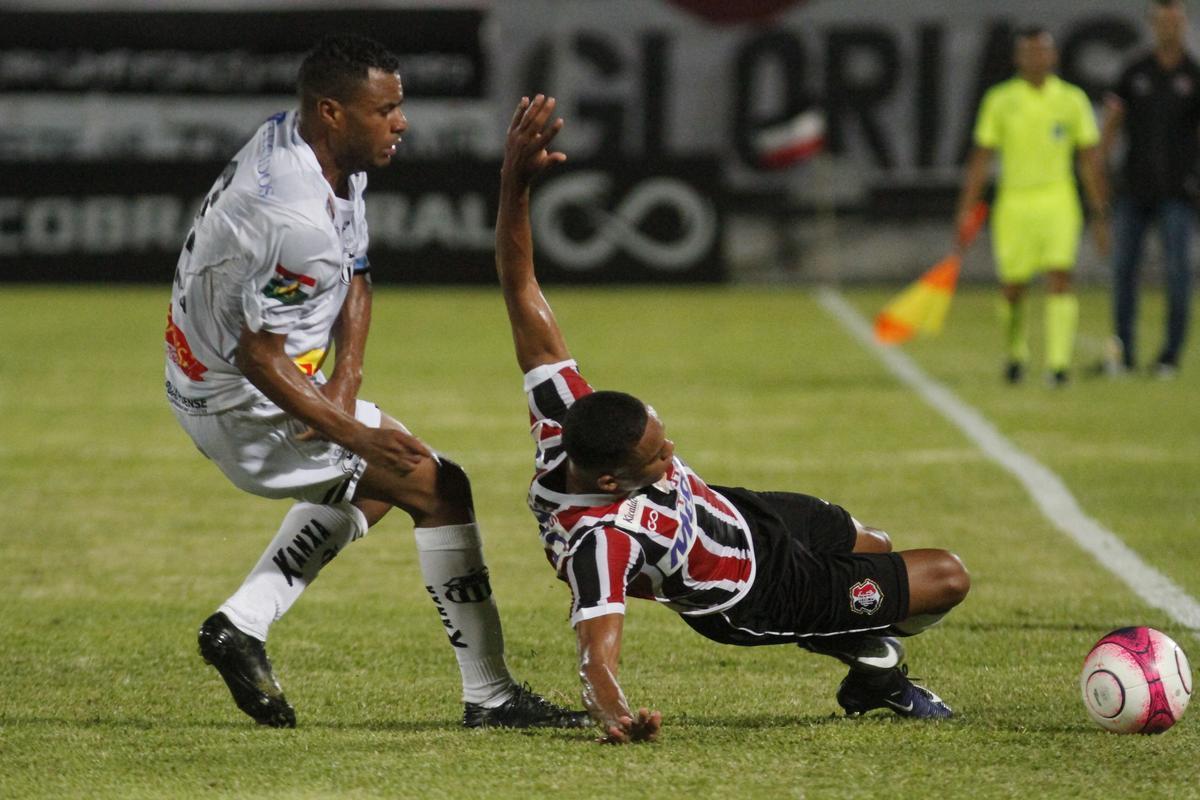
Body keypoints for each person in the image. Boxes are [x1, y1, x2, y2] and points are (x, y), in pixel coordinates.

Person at [494, 95, 971, 744]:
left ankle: (861, 646)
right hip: (756, 591)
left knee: (875, 546)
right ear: (610, 483)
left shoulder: (564, 422)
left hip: (743, 512)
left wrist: (515, 183)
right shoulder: (600, 541)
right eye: (657, 458)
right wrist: (615, 715)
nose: (672, 455)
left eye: (663, 440)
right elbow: (595, 655)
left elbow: (520, 287)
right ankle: (877, 671)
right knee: (947, 577)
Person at [164, 34, 587, 730]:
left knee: (381, 484)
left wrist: (346, 377)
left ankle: (241, 624)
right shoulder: (291, 217)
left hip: (226, 372)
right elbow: (258, 357)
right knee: (437, 486)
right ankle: (490, 696)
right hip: (242, 399)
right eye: (385, 109)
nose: (402, 122)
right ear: (332, 112)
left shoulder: (319, 153)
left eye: (400, 105)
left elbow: (356, 271)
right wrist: (354, 432)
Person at [956, 26, 1110, 386]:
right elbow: (982, 157)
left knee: (1060, 277)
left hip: (1058, 199)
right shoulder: (1000, 100)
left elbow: (1089, 159)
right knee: (1013, 287)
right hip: (1014, 201)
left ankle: (1058, 365)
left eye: (1042, 51)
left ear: (1053, 56)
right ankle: (1016, 353)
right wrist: (966, 209)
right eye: (1028, 52)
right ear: (1017, 58)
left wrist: (1100, 212)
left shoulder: (1071, 99)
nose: (1036, 58)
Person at [1100, 0, 1199, 379]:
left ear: (1184, 24)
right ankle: (1123, 353)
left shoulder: (1194, 75)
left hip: (1178, 191)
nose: (1168, 27)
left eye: (1174, 20)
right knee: (1124, 271)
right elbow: (1111, 125)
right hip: (1134, 188)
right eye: (1161, 21)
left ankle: (1169, 357)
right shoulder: (1135, 70)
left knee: (1178, 273)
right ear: (1152, 25)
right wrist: (1102, 171)